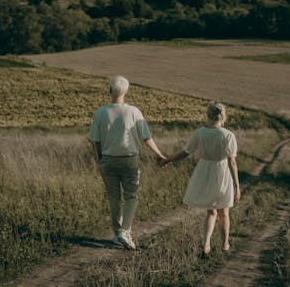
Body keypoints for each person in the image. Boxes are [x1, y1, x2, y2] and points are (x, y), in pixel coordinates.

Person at [88, 75, 166, 250]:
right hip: (129, 160)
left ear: (109, 90)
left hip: (108, 160)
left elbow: (96, 140)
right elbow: (146, 137)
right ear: (126, 91)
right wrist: (159, 154)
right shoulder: (133, 111)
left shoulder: (100, 112)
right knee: (131, 196)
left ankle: (117, 235)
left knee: (114, 199)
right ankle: (125, 231)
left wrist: (101, 159)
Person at [160, 102, 240, 257]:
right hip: (221, 173)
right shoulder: (228, 135)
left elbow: (185, 153)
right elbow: (232, 162)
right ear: (223, 116)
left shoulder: (200, 133)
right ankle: (225, 245)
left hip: (204, 172)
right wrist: (237, 186)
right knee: (224, 212)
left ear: (207, 115)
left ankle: (206, 245)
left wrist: (168, 160)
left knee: (211, 212)